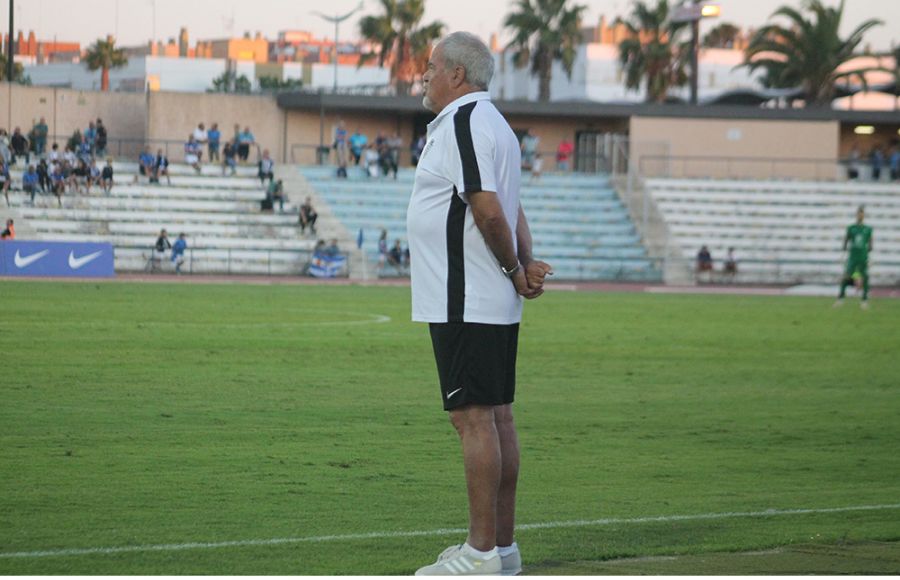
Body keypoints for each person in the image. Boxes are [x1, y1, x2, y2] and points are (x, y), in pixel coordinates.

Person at [408, 31, 552, 577]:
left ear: (457, 75)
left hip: (464, 294)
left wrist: (516, 269)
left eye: (431, 66)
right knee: (495, 418)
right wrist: (525, 263)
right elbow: (510, 207)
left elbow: (490, 209)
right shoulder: (494, 125)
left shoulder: (466, 122)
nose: (424, 75)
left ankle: (480, 553)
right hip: (480, 294)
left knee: (473, 420)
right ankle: (503, 549)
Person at [835, 206, 873, 309]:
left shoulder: (868, 229)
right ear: (856, 215)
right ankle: (840, 299)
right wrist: (843, 253)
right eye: (859, 213)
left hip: (863, 257)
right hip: (852, 258)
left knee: (865, 278)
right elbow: (846, 240)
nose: (860, 215)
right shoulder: (851, 228)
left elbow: (870, 244)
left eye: (862, 213)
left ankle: (864, 301)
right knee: (846, 277)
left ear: (864, 215)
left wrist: (870, 257)